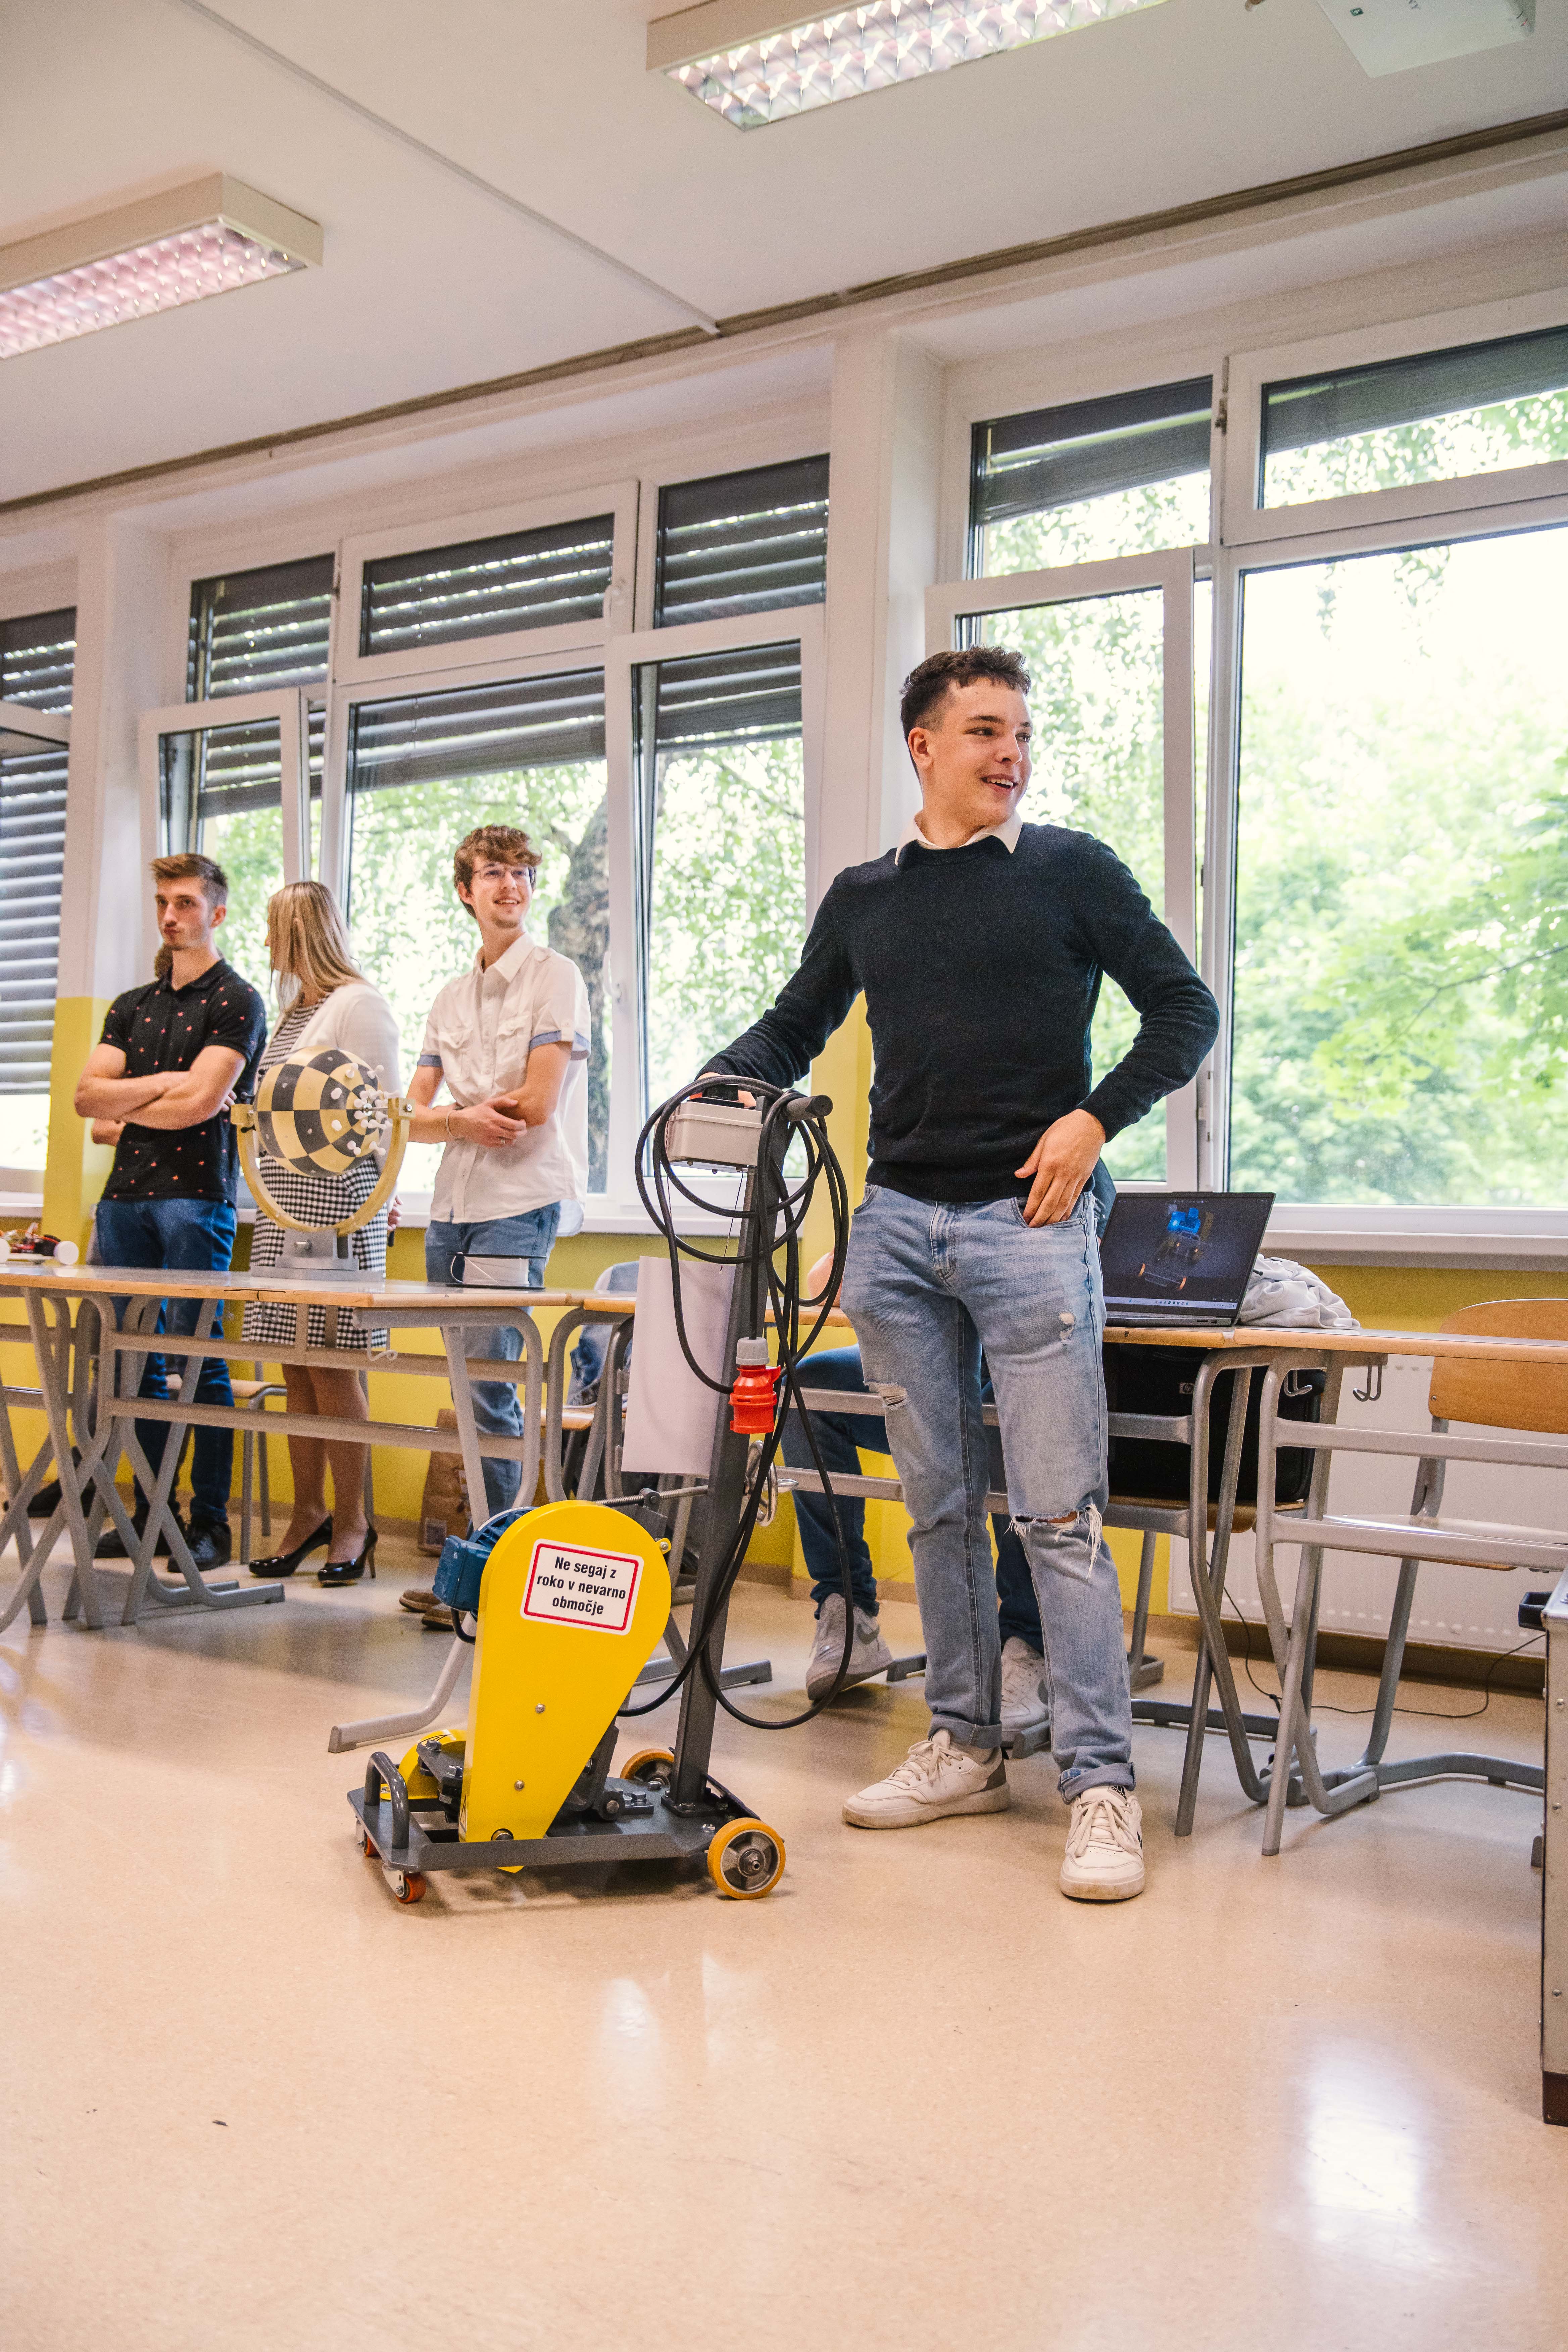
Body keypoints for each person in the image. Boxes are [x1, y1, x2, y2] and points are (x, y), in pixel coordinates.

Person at [699, 646, 1218, 1901]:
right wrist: (713, 1085)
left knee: (1057, 1516)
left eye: (1023, 734)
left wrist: (1091, 1121)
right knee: (936, 1507)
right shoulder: (866, 897)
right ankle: (967, 1743)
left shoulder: (1072, 870)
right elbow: (793, 1026)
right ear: (923, 744)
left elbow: (1184, 1010)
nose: (1012, 754)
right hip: (894, 1228)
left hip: (1027, 1224)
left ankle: (1098, 1783)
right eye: (987, 731)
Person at [74, 853, 268, 1571]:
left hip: (196, 1196)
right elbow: (86, 1099)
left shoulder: (237, 999)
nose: (170, 915)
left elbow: (203, 1103)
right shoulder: (131, 1005)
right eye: (163, 901)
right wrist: (168, 1084)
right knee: (135, 1364)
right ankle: (153, 1516)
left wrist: (137, 1098)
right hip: (124, 1199)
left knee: (198, 1358)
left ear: (216, 913)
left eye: (185, 902)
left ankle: (210, 1523)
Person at [784, 1251, 1051, 1736]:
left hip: (1013, 1364)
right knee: (806, 1388)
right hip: (926, 1359)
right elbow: (825, 1280)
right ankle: (849, 1612)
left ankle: (1028, 1642)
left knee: (1006, 1407)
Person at [405, 825, 590, 1524]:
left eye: (521, 873)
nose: (511, 885)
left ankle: (494, 1551)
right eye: (493, 872)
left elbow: (536, 1105)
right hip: (449, 1211)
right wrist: (461, 1122)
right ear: (466, 891)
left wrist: (448, 1118)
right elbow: (407, 1117)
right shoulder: (449, 998)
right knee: (464, 1385)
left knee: (490, 1389)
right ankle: (483, 1544)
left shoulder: (556, 977)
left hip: (517, 1203)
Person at [240, 883, 400, 1586]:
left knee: (334, 1364)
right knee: (294, 1364)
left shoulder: (357, 1005)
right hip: (281, 1201)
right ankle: (307, 1513)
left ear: (299, 932)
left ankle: (353, 1523)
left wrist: (377, 1203)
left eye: (274, 930)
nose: (267, 943)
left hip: (336, 1200)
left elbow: (381, 1114)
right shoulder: (294, 1012)